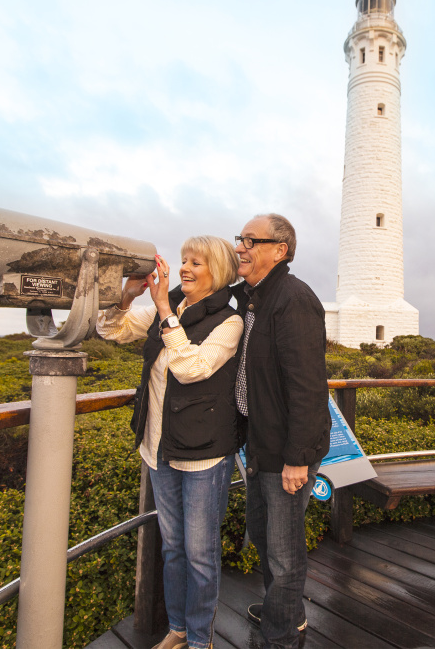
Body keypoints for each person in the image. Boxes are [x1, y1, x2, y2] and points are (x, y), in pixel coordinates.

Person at [97, 236, 244, 649]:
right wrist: (126, 296)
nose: (184, 268)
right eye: (183, 260)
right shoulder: (173, 305)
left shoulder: (229, 322)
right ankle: (178, 628)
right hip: (159, 448)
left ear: (218, 271)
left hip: (204, 456)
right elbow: (111, 330)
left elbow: (192, 368)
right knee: (174, 549)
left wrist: (164, 311)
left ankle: (200, 639)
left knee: (200, 556)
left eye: (196, 262)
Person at [232, 214, 331, 649]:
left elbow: (308, 386)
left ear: (280, 249)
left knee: (284, 554)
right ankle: (286, 610)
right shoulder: (255, 298)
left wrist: (298, 458)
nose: (240, 247)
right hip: (261, 445)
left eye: (251, 240)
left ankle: (281, 636)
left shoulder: (293, 299)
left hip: (285, 453)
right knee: (262, 533)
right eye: (240, 239)